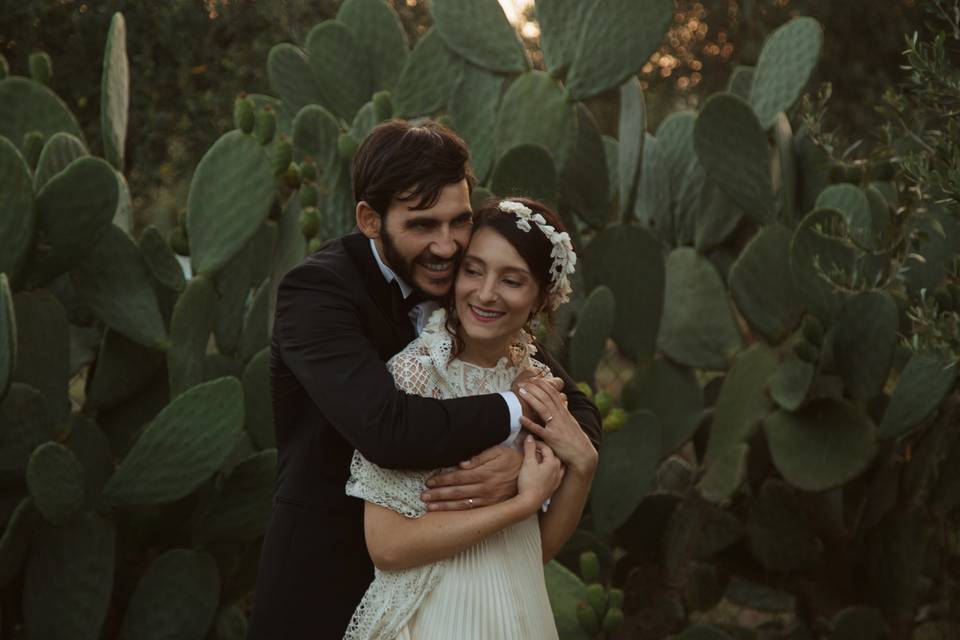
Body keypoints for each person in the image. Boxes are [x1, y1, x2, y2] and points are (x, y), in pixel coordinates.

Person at [246, 121, 601, 639]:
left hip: (460, 589)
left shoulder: (467, 280)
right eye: (422, 225)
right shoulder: (317, 292)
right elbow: (387, 429)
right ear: (370, 219)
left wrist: (529, 457)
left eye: (458, 221)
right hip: (327, 574)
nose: (445, 245)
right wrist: (519, 418)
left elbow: (575, 407)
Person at [344, 198, 598, 639]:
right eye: (474, 270)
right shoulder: (415, 376)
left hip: (519, 610)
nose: (484, 293)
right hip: (434, 616)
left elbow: (534, 548)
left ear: (541, 297)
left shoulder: (537, 383)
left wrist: (583, 467)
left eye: (512, 280)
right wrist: (520, 503)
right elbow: (386, 546)